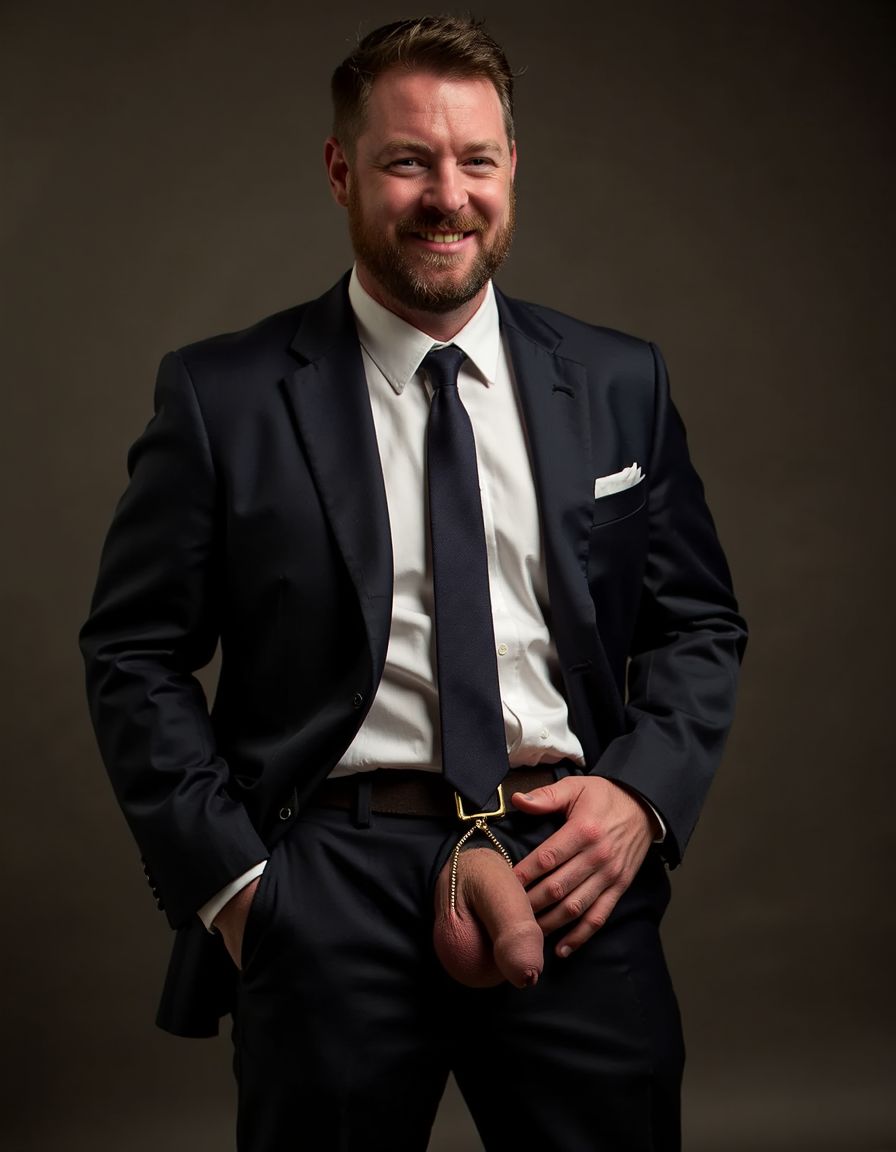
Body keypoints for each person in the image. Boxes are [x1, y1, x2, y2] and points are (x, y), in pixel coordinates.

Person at [80, 15, 746, 1152]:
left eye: (475, 159)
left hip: (568, 867)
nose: (448, 196)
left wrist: (640, 798)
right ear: (341, 170)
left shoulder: (618, 380)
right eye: (407, 161)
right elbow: (132, 653)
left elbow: (698, 624)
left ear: (510, 167)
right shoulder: (222, 396)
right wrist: (239, 890)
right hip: (327, 882)